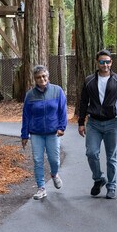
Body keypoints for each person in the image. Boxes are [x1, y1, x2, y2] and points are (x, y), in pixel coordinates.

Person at [78, 49, 117, 199]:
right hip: (93, 123)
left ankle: (111, 187)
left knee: (111, 157)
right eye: (102, 62)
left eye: (108, 62)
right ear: (97, 63)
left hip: (112, 123)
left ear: (111, 63)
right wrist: (81, 122)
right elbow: (83, 102)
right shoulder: (89, 80)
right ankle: (99, 178)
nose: (105, 64)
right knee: (91, 153)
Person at [21, 65, 68, 200]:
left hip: (53, 133)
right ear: (35, 79)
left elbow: (62, 111)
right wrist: (24, 135)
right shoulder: (30, 95)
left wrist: (61, 127)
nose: (42, 79)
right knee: (37, 160)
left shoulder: (57, 91)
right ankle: (41, 187)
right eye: (38, 77)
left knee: (54, 160)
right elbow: (26, 116)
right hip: (36, 133)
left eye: (43, 76)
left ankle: (54, 174)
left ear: (47, 76)